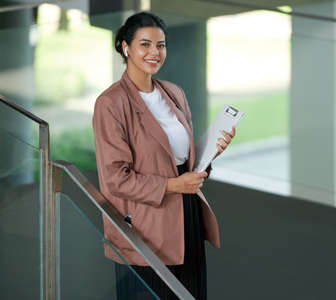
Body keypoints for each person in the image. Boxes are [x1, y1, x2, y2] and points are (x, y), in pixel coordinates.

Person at [92, 12, 235, 300]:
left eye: (161, 45)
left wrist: (211, 153)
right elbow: (114, 180)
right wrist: (172, 186)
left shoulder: (174, 93)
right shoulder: (111, 104)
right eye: (145, 44)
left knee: (191, 293)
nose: (155, 53)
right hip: (146, 226)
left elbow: (181, 160)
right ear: (125, 47)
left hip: (187, 216)